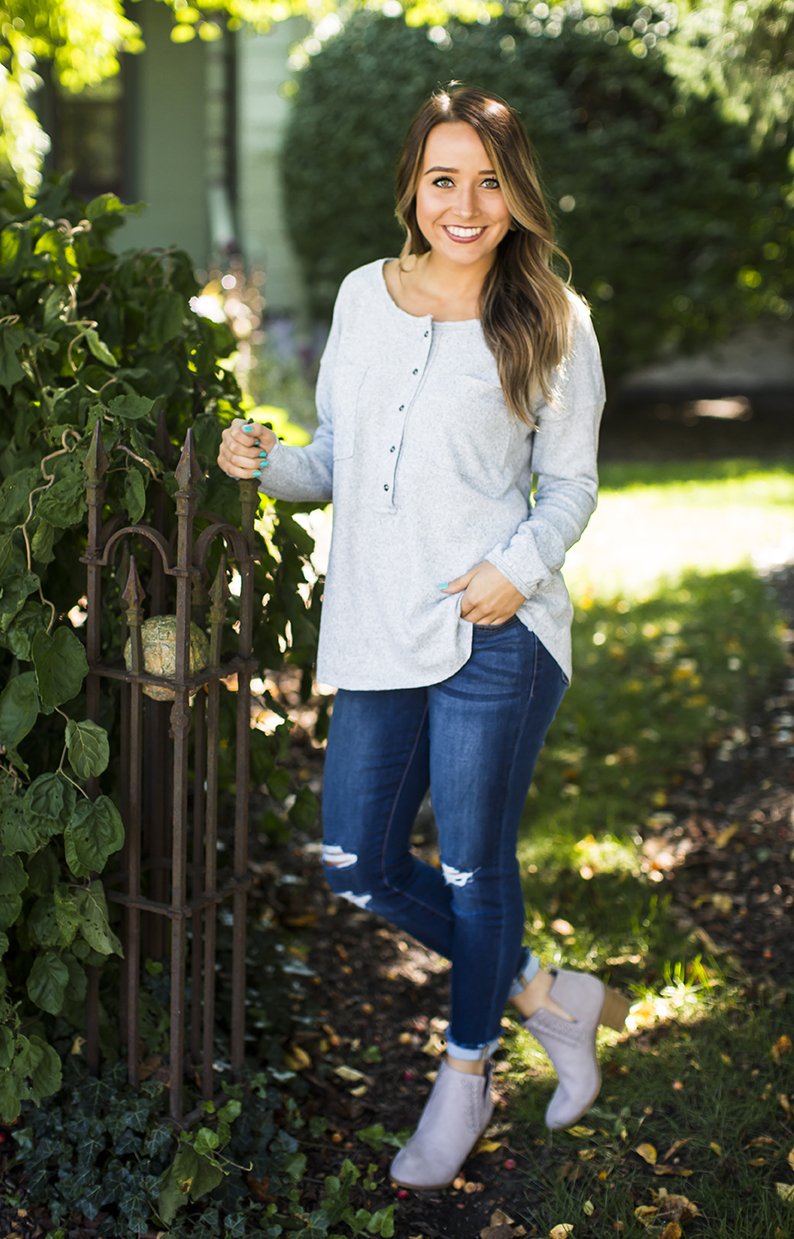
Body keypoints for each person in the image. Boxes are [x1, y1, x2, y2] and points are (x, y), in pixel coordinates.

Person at [217, 83, 628, 1192]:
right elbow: (337, 462)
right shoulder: (362, 295)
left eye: (488, 181)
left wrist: (515, 570)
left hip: (495, 621)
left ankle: (466, 1071)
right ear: (410, 187)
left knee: (472, 865)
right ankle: (548, 997)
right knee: (354, 860)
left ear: (516, 193)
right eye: (444, 178)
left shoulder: (549, 314)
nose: (465, 203)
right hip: (376, 622)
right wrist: (269, 464)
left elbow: (571, 484)